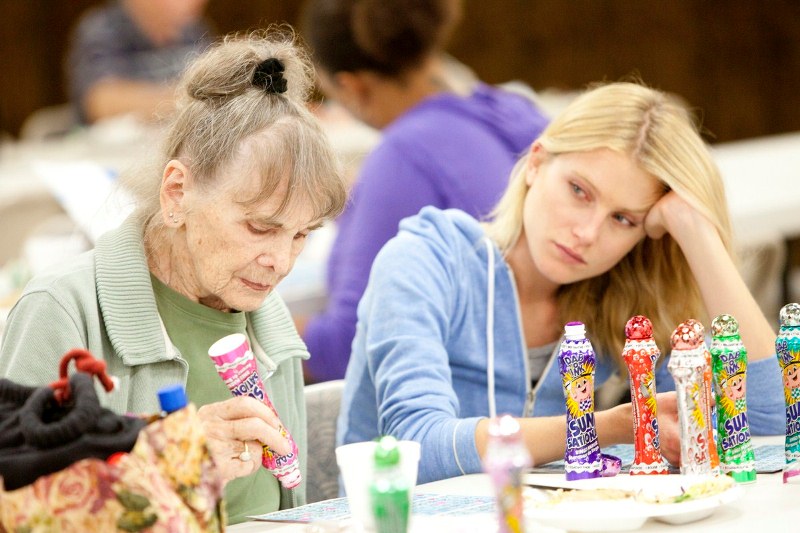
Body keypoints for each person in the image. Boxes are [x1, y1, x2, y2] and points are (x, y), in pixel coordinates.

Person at [337, 81, 785, 484]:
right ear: (536, 163)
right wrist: (602, 427)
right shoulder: (428, 257)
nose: (587, 234)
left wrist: (696, 232)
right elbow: (417, 447)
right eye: (579, 190)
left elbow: (768, 423)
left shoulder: (625, 290)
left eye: (623, 218)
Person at [1, 29, 347, 523]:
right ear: (177, 193)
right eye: (259, 227)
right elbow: (19, 512)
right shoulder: (62, 313)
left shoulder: (269, 326)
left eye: (301, 235)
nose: (281, 262)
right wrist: (169, 461)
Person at [297, 0, 549, 382]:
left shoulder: (404, 157)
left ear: (352, 87)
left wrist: (246, 324)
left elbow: (349, 350)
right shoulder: (513, 112)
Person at [66, 0, 214, 124]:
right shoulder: (103, 30)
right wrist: (184, 100)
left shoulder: (193, 31)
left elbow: (214, 83)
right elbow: (100, 102)